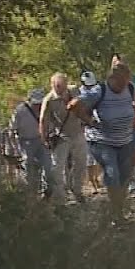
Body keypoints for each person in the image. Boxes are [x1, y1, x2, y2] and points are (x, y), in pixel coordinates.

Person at [69, 62, 135, 221]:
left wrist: (133, 121)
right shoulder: (98, 91)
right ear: (113, 78)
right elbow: (73, 105)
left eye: (126, 80)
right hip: (102, 141)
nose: (124, 85)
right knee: (112, 173)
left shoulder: (130, 88)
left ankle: (119, 209)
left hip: (125, 139)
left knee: (124, 177)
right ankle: (117, 214)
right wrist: (90, 121)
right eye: (121, 81)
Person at [41, 72, 86, 204]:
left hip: (78, 133)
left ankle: (77, 189)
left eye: (62, 86)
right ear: (52, 85)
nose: (60, 89)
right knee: (57, 168)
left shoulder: (74, 91)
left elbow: (85, 104)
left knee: (81, 164)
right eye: (57, 86)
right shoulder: (49, 100)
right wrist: (44, 139)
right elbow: (43, 120)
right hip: (61, 136)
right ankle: (60, 197)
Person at [8, 89, 52, 198]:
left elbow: (52, 124)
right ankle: (30, 193)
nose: (38, 106)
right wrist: (15, 149)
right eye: (35, 103)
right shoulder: (20, 111)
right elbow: (11, 131)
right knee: (28, 167)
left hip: (42, 140)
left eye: (40, 103)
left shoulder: (46, 108)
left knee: (48, 166)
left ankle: (46, 191)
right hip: (25, 141)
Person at [77, 71, 103, 191]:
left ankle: (96, 178)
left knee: (98, 156)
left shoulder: (98, 91)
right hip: (84, 128)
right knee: (88, 157)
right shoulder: (78, 94)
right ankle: (91, 181)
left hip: (97, 127)